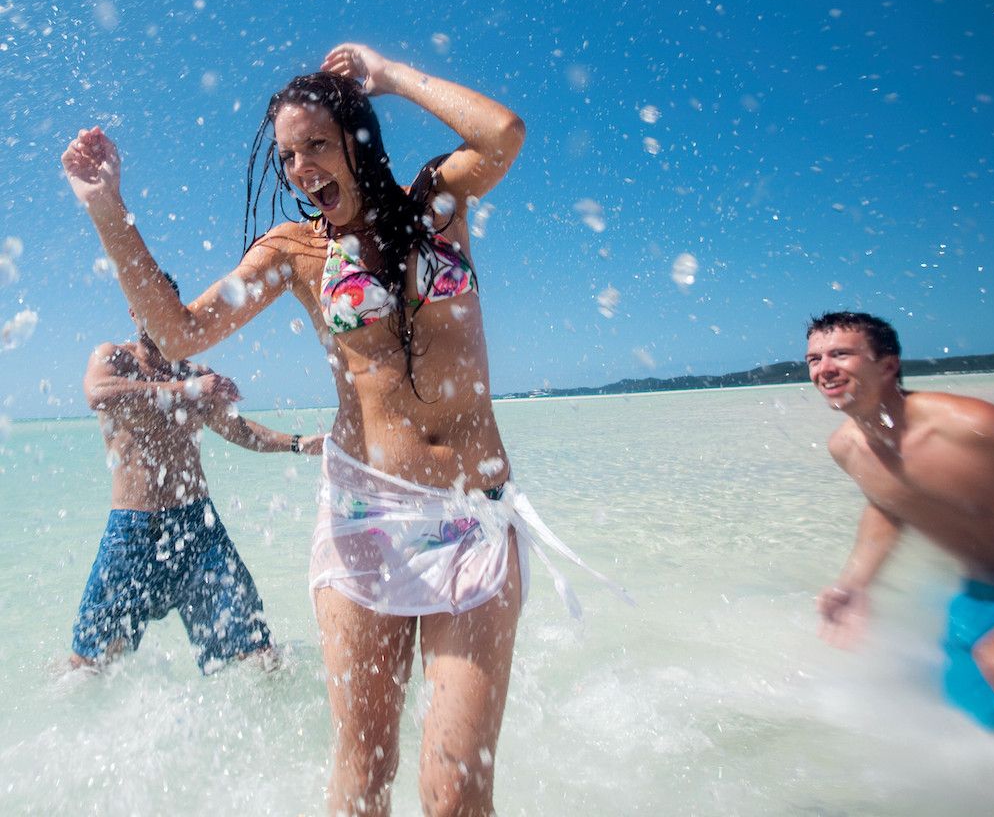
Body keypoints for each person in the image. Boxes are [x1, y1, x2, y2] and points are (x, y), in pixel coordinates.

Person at [62, 43, 629, 816]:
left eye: (316, 146)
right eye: (288, 154)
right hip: (366, 517)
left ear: (358, 138)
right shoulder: (296, 252)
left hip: (474, 518)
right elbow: (183, 330)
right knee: (364, 777)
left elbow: (504, 134)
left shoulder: (439, 201)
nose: (299, 169)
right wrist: (107, 210)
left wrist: (389, 76)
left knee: (458, 789)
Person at [70, 275, 324, 674]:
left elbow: (239, 430)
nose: (156, 314)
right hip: (131, 531)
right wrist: (187, 389)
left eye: (166, 306)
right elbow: (96, 394)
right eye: (148, 305)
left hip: (198, 528)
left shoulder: (195, 372)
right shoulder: (115, 359)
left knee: (258, 656)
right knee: (88, 666)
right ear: (134, 310)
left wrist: (297, 443)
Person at [806, 310, 994, 729]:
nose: (824, 369)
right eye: (814, 359)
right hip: (981, 594)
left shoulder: (971, 427)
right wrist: (855, 582)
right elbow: (891, 502)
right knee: (971, 726)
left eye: (840, 354)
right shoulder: (847, 448)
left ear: (888, 365)